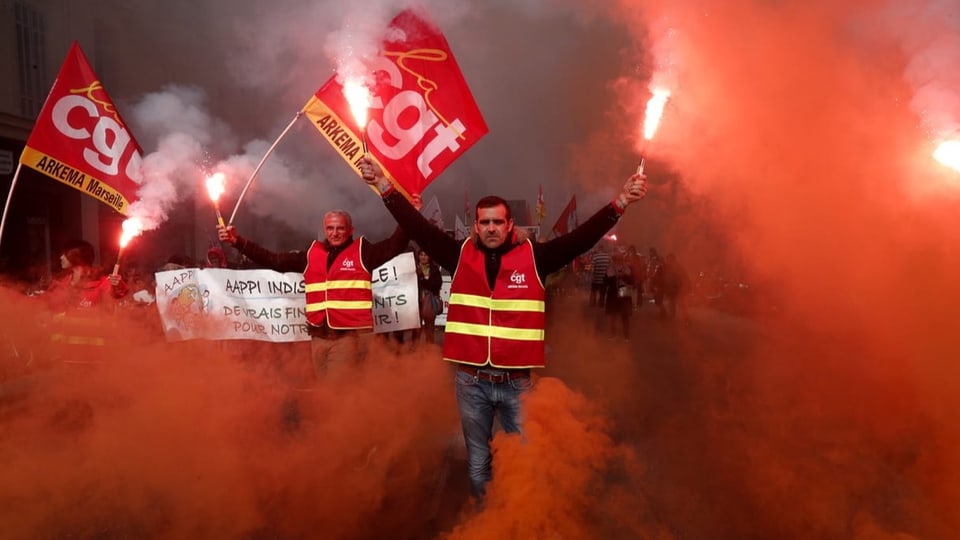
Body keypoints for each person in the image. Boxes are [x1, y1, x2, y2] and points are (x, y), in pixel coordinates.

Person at [358, 155, 649, 501]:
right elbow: (418, 227)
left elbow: (581, 238)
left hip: (516, 383)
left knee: (524, 459)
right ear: (475, 226)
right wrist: (383, 186)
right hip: (471, 382)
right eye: (485, 222)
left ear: (510, 225)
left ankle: (517, 520)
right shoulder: (458, 254)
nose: (492, 228)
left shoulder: (536, 258)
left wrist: (620, 204)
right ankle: (487, 519)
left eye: (498, 222)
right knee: (479, 462)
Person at [217, 208, 408, 379]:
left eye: (340, 228)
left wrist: (409, 214)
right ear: (325, 230)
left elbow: (394, 245)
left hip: (351, 338)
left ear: (351, 230)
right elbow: (273, 260)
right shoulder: (311, 255)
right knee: (327, 392)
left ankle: (343, 419)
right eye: (330, 228)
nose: (335, 233)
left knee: (336, 393)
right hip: (318, 338)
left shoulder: (363, 252)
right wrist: (238, 242)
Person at [411, 248, 443, 346]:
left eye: (426, 255)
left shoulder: (434, 269)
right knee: (416, 328)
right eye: (421, 255)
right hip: (415, 303)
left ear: (429, 257)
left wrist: (422, 278)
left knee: (429, 328)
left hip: (429, 303)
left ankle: (430, 351)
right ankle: (415, 350)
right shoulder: (412, 268)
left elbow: (437, 284)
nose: (423, 257)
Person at [604, 250, 635, 340]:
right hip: (613, 293)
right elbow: (606, 282)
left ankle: (626, 335)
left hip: (624, 293)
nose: (618, 261)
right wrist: (615, 278)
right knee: (612, 315)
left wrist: (623, 276)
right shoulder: (610, 268)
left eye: (619, 259)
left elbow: (632, 281)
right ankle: (613, 334)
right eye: (616, 259)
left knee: (624, 315)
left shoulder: (627, 268)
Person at [588, 244, 612, 308]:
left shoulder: (595, 257)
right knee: (602, 292)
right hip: (604, 279)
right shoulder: (608, 257)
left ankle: (592, 304)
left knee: (594, 291)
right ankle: (601, 305)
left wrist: (592, 276)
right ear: (603, 249)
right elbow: (610, 268)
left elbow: (592, 268)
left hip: (596, 278)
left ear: (599, 249)